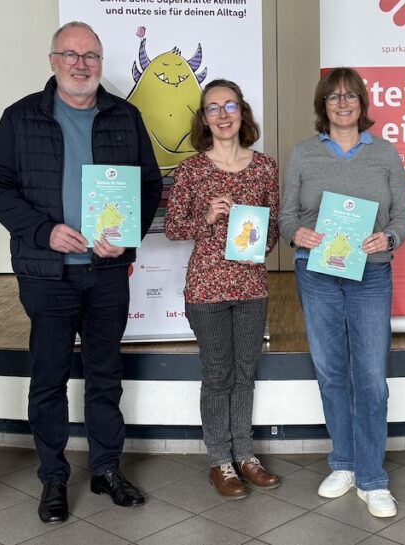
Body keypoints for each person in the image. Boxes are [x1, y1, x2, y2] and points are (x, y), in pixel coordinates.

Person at [0, 21, 162, 524]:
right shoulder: (20, 117)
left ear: (101, 63)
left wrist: (127, 236)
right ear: (53, 61)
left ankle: (106, 469)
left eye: (90, 56)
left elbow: (149, 186)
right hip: (47, 273)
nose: (81, 64)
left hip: (107, 272)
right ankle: (54, 478)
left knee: (105, 375)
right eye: (71, 55)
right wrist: (44, 231)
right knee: (49, 378)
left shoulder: (125, 116)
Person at [278, 67, 405, 518]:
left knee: (371, 377)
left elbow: (404, 215)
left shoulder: (385, 153)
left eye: (350, 96)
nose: (342, 103)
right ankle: (344, 462)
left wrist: (388, 238)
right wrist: (297, 234)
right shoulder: (302, 154)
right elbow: (286, 215)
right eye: (334, 97)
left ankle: (372, 477)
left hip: (371, 275)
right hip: (316, 274)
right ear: (323, 104)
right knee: (332, 372)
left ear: (362, 103)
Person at [164, 79, 282, 499]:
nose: (222, 114)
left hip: (251, 286)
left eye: (229, 105)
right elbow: (173, 227)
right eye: (213, 108)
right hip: (207, 288)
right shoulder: (191, 170)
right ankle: (220, 462)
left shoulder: (265, 166)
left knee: (245, 373)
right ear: (204, 118)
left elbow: (273, 227)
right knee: (217, 375)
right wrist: (207, 219)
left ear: (242, 112)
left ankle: (245, 455)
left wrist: (259, 242)